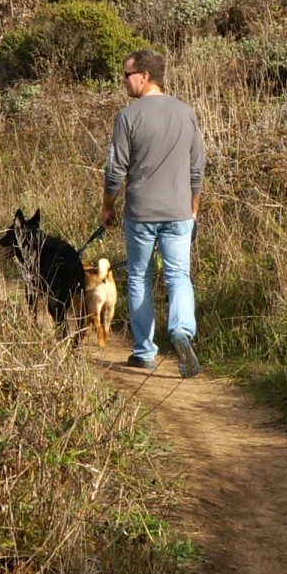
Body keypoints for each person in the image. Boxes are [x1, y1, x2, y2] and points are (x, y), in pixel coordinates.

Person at [101, 49, 205, 376]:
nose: (123, 82)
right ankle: (182, 330)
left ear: (144, 76)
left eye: (126, 75)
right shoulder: (186, 112)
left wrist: (107, 206)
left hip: (141, 213)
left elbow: (114, 170)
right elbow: (197, 166)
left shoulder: (128, 117)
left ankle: (144, 351)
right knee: (178, 275)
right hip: (178, 213)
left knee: (139, 278)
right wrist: (193, 210)